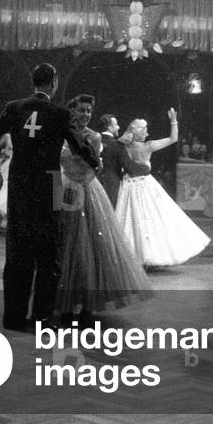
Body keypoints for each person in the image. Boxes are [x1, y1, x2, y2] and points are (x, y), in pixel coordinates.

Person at [0, 63, 99, 332]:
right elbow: (80, 144)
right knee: (49, 255)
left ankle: (14, 319)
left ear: (34, 82)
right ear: (54, 82)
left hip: (19, 184)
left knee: (17, 253)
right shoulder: (60, 113)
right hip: (51, 185)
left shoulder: (15, 108)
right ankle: (43, 319)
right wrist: (94, 160)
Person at [55, 96, 151, 319]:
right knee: (65, 246)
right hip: (64, 189)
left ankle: (88, 301)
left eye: (89, 111)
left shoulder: (95, 136)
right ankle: (64, 300)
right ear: (71, 111)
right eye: (81, 110)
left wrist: (77, 178)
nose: (86, 114)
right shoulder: (60, 134)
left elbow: (92, 167)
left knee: (89, 246)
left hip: (86, 190)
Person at [115, 109, 211, 267]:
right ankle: (147, 256)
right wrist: (174, 121)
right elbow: (174, 138)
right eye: (145, 129)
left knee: (132, 219)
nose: (147, 132)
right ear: (139, 132)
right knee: (151, 219)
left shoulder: (124, 146)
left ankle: (134, 255)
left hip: (128, 184)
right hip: (144, 184)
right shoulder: (148, 146)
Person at [96, 113, 150, 208]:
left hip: (94, 183)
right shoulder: (117, 145)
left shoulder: (93, 140)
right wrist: (146, 168)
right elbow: (129, 167)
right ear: (109, 128)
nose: (118, 127)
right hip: (111, 185)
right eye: (116, 125)